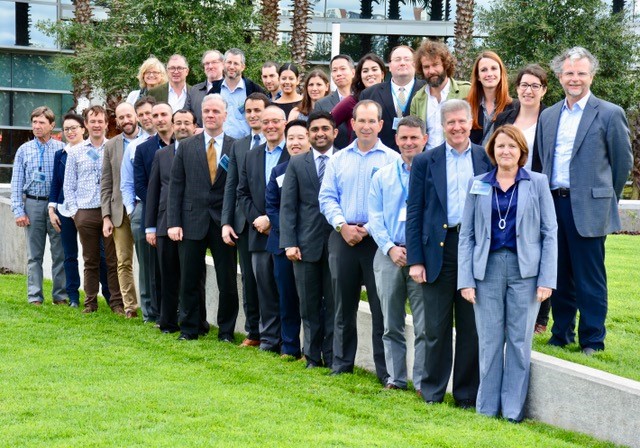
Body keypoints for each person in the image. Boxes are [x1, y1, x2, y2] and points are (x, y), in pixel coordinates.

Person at [458, 124, 557, 422]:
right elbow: (467, 235)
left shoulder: (537, 182)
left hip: (525, 272)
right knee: (489, 341)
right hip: (486, 270)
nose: (506, 151)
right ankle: (487, 409)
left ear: (521, 151)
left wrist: (546, 279)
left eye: (512, 146)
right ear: (492, 150)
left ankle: (512, 410)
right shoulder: (478, 183)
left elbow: (549, 233)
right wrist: (466, 280)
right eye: (500, 146)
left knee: (518, 341)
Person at [537, 47, 633, 355]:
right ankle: (561, 334)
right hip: (554, 205)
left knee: (589, 278)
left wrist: (604, 198)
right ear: (559, 76)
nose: (574, 78)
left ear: (591, 76)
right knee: (559, 274)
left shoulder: (609, 113)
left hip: (590, 207)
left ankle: (592, 340)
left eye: (581, 73)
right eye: (569, 73)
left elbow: (622, 164)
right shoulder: (548, 116)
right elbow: (543, 161)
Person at [406, 99, 491, 407]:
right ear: (442, 126)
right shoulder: (425, 161)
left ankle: (467, 395)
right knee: (436, 327)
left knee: (471, 327)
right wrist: (416, 260)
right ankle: (432, 391)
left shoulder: (486, 158)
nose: (456, 127)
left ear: (471, 123)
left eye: (461, 121)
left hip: (474, 250)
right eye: (450, 122)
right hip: (437, 251)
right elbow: (414, 211)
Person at [318, 100, 399, 384]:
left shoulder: (392, 160)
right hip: (343, 237)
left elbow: (395, 202)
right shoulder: (338, 159)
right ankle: (341, 364)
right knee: (342, 305)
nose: (366, 126)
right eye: (360, 121)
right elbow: (327, 197)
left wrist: (369, 228)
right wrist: (342, 226)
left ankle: (385, 371)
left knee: (381, 307)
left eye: (371, 121)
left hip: (378, 241)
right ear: (352, 124)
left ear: (380, 124)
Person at [167, 94, 239, 341]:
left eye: (216, 111)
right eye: (207, 111)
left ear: (225, 116)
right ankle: (190, 328)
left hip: (223, 224)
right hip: (191, 221)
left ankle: (226, 332)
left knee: (227, 281)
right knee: (189, 279)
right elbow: (176, 187)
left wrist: (232, 220)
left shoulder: (236, 147)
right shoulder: (186, 146)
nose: (210, 115)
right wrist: (174, 222)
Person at [368, 116, 428, 392]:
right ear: (396, 140)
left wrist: (417, 253)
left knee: (424, 325)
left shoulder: (432, 173)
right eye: (404, 138)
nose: (409, 142)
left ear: (425, 139)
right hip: (388, 254)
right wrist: (390, 248)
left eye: (414, 137)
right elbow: (375, 217)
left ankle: (422, 381)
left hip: (421, 259)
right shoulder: (382, 176)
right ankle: (395, 378)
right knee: (391, 323)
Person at [492, 65, 551, 335]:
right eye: (524, 85)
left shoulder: (550, 119)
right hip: (506, 190)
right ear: (516, 88)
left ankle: (540, 316)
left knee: (537, 247)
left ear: (544, 90)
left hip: (536, 190)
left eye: (535, 86)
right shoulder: (505, 117)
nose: (529, 90)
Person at [280, 111, 338, 369]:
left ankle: (334, 356)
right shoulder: (296, 163)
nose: (320, 133)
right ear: (309, 134)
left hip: (338, 244)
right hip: (304, 245)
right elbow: (288, 206)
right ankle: (312, 356)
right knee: (309, 305)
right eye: (314, 130)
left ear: (335, 132)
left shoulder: (344, 159)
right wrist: (289, 242)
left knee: (335, 305)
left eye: (325, 128)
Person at [145, 109, 204, 334]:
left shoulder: (203, 151)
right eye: (178, 122)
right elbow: (153, 192)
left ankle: (199, 322)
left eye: (187, 123)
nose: (182, 127)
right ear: (172, 125)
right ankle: (168, 322)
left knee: (194, 276)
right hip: (164, 223)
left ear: (195, 126)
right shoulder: (162, 155)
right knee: (167, 275)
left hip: (194, 222)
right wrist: (150, 227)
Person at [237, 105, 290, 353]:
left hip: (285, 231)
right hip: (259, 233)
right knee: (265, 288)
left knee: (287, 289)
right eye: (266, 122)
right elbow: (242, 192)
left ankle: (289, 340)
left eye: (275, 121)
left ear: (284, 124)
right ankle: (269, 339)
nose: (270, 126)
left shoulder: (295, 153)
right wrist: (258, 219)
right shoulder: (252, 155)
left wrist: (272, 219)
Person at [63, 105, 123, 314]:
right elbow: (68, 185)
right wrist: (75, 213)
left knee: (112, 260)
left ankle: (116, 303)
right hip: (86, 212)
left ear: (106, 124)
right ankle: (90, 303)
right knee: (90, 260)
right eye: (93, 121)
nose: (97, 125)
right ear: (86, 125)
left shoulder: (114, 148)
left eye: (100, 121)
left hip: (110, 212)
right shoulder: (75, 151)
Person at [221, 92, 270, 347]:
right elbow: (231, 186)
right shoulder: (239, 146)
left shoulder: (280, 143)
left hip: (270, 223)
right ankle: (253, 332)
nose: (252, 115)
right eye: (248, 111)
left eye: (257, 110)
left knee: (269, 279)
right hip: (243, 224)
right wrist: (226, 222)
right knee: (248, 279)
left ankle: (273, 332)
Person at [50, 113, 111, 308]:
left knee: (99, 255)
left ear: (83, 129)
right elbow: (57, 184)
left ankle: (109, 294)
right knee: (70, 255)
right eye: (66, 129)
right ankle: (73, 297)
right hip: (66, 209)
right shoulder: (61, 154)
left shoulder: (99, 149)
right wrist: (52, 208)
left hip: (91, 209)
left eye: (74, 128)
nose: (70, 132)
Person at [11, 106, 67, 305]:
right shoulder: (23, 150)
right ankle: (35, 296)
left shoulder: (62, 149)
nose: (37, 126)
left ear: (52, 125)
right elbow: (16, 183)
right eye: (34, 122)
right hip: (32, 204)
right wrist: (18, 210)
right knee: (34, 255)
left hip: (56, 207)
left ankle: (60, 296)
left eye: (41, 122)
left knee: (59, 253)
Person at [265, 120, 311, 359]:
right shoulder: (279, 171)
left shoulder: (318, 168)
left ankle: (312, 349)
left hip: (311, 242)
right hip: (282, 243)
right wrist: (289, 233)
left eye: (300, 137)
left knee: (312, 299)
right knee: (287, 297)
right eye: (291, 138)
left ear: (309, 139)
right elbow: (272, 207)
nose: (295, 143)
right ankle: (289, 346)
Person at [102, 102, 142, 318]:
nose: (126, 120)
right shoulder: (111, 145)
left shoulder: (149, 139)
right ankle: (130, 307)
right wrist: (106, 216)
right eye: (121, 117)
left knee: (147, 260)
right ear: (116, 121)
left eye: (129, 115)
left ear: (136, 116)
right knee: (123, 261)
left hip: (142, 208)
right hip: (119, 212)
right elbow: (106, 183)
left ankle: (151, 304)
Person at [120, 95, 158, 323]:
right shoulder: (134, 147)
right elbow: (126, 182)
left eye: (149, 113)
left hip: (168, 210)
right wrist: (131, 210)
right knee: (146, 264)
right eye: (141, 114)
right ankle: (149, 312)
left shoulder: (171, 141)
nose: (146, 118)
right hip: (141, 209)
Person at [360, 46, 426, 152]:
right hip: (381, 155)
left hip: (419, 156)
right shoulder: (369, 94)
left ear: (415, 64)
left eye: (407, 59)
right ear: (390, 66)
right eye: (397, 59)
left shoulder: (427, 90)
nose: (402, 63)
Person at [410, 40, 471, 151]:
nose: (431, 71)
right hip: (428, 158)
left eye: (435, 65)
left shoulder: (466, 91)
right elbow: (415, 135)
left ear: (445, 65)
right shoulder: (418, 99)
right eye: (426, 67)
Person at [331, 53, 387, 145]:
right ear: (360, 76)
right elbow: (327, 123)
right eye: (365, 71)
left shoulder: (390, 99)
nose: (370, 74)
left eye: (374, 69)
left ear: (382, 74)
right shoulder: (352, 101)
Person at [210, 48, 266, 139]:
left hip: (245, 144)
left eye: (236, 63)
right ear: (223, 64)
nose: (232, 67)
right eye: (229, 62)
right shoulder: (214, 91)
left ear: (243, 67)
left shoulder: (254, 89)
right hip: (220, 143)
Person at [467, 51, 512, 145]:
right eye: (484, 70)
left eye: (494, 68)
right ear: (478, 76)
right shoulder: (467, 107)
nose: (489, 74)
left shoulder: (514, 108)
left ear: (501, 73)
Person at [314, 54, 356, 149]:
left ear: (353, 72)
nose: (338, 73)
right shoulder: (321, 104)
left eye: (343, 69)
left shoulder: (363, 98)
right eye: (334, 70)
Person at [185, 50, 224, 127]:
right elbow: (186, 115)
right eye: (207, 63)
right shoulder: (194, 90)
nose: (210, 66)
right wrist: (195, 129)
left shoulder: (231, 89)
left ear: (223, 64)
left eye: (214, 62)